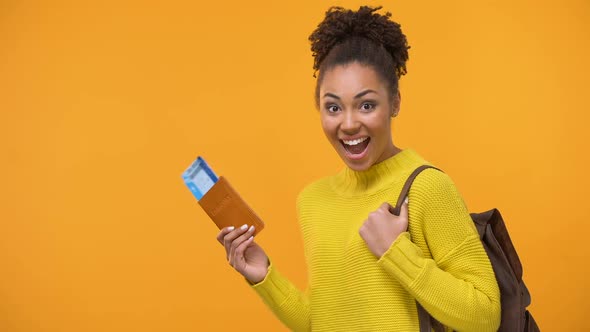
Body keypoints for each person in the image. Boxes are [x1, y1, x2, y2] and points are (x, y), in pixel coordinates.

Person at [216, 5, 501, 332]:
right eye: (333, 107)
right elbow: (320, 321)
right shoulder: (313, 201)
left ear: (395, 102)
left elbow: (485, 315)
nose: (348, 124)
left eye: (366, 105)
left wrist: (396, 252)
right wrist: (264, 276)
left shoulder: (427, 187)